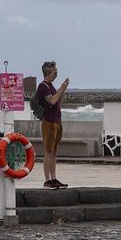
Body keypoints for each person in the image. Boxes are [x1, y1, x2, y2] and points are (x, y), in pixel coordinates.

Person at [35, 61, 69, 189]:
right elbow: (52, 101)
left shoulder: (51, 86)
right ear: (48, 72)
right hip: (48, 122)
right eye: (55, 72)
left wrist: (62, 90)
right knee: (48, 151)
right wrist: (62, 88)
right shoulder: (43, 86)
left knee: (54, 151)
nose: (56, 74)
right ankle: (47, 180)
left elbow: (58, 100)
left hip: (56, 121)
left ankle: (54, 178)